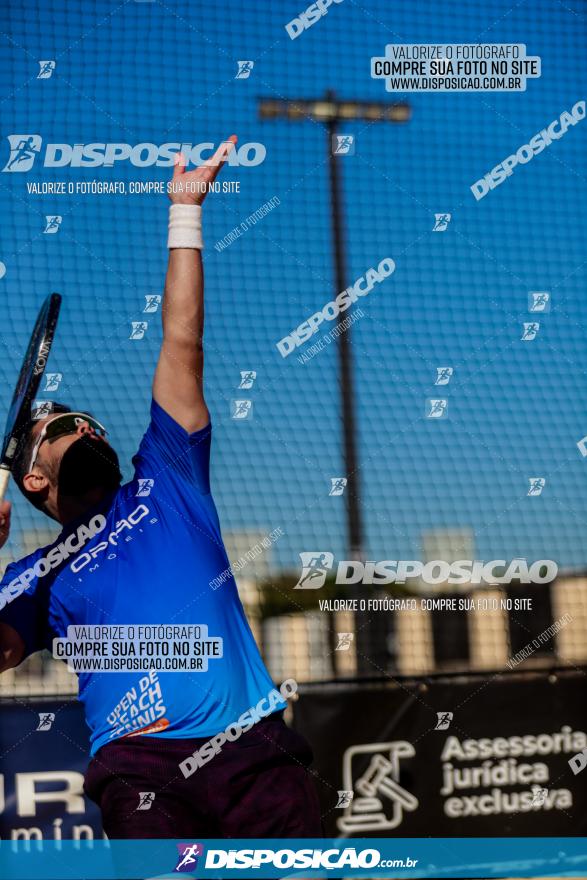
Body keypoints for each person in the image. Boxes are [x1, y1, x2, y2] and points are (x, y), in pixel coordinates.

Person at [0, 137, 322, 839]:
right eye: (64, 425)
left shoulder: (166, 477)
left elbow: (181, 341)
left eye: (91, 423)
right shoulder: (33, 577)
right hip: (138, 768)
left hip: (250, 750)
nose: (88, 429)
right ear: (31, 475)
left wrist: (185, 215)